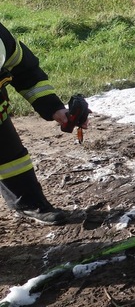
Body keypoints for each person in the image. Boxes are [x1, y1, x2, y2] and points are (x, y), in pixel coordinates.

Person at [0, 21, 78, 225]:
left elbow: (25, 72)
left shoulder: (1, 39)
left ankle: (30, 204)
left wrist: (55, 108)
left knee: (12, 159)